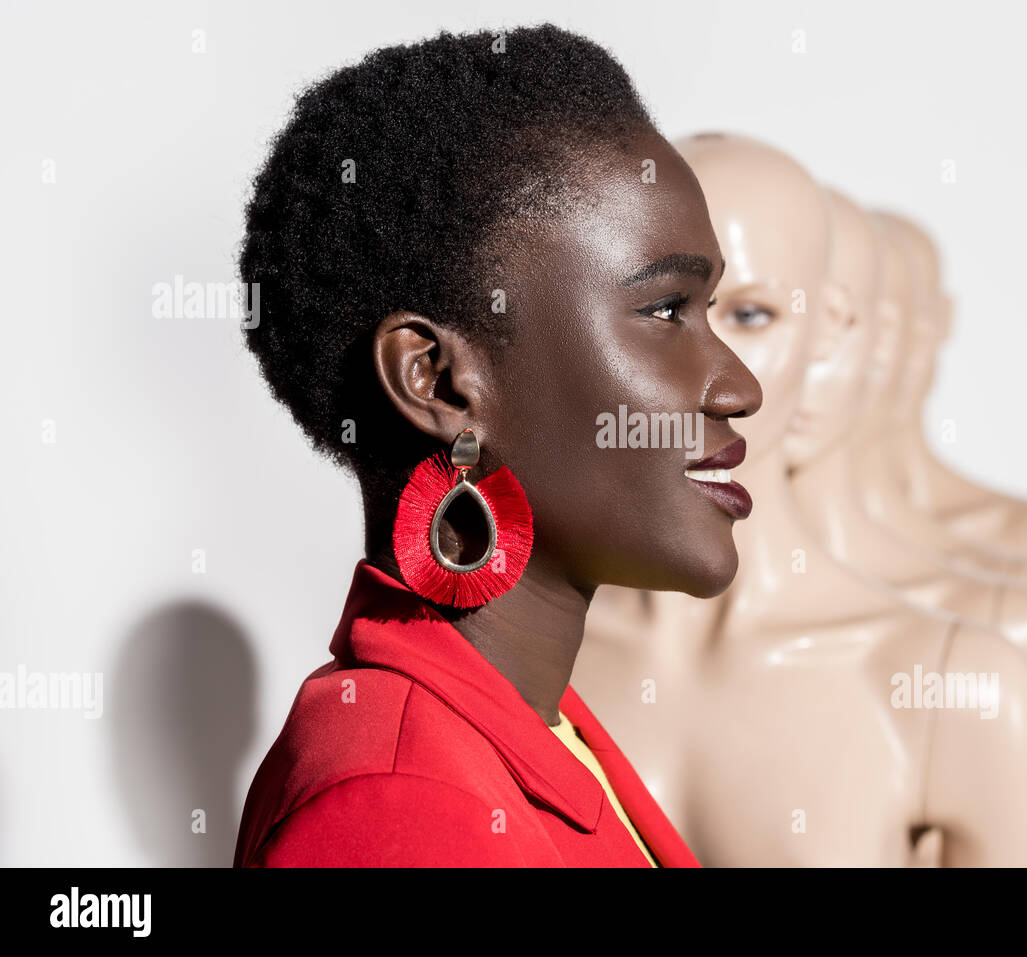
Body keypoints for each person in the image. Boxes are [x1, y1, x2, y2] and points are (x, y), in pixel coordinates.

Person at [232, 25, 761, 867]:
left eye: (716, 311)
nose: (740, 387)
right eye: (666, 311)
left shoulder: (532, 728)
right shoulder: (400, 805)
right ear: (440, 383)